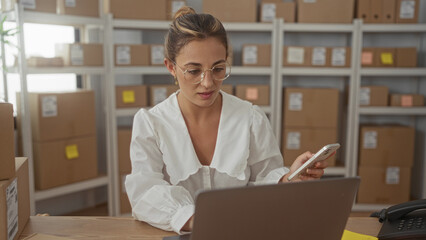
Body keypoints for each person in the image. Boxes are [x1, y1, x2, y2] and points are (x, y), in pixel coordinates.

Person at [125, 6, 329, 234]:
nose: (208, 82)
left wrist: (288, 178)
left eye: (218, 68)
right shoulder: (151, 124)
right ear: (171, 67)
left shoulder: (250, 118)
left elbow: (264, 178)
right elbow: (145, 191)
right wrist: (196, 219)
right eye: (194, 71)